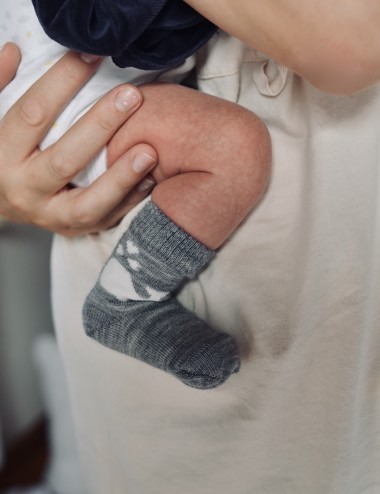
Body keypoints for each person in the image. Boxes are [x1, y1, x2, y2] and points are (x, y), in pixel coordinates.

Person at [1, 1, 380, 492]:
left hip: (112, 87)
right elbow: (344, 45)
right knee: (232, 148)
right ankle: (126, 299)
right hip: (81, 93)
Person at [0, 1, 270, 389]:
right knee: (233, 146)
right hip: (72, 105)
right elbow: (96, 28)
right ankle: (126, 299)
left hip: (79, 87)